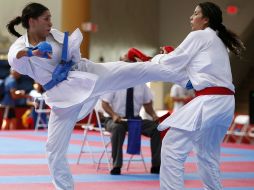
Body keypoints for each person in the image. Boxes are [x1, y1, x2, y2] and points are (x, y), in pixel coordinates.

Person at [6, 3, 182, 189]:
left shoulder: (54, 35)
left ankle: (172, 66)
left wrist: (70, 55)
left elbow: (73, 53)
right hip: (63, 97)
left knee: (127, 70)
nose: (51, 22)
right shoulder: (20, 46)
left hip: (84, 73)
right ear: (32, 21)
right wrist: (32, 52)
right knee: (53, 149)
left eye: (50, 17)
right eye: (46, 18)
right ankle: (64, 187)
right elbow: (15, 57)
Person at [150, 2, 245, 189]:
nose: (191, 17)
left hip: (210, 101)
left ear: (205, 19)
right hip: (225, 103)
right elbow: (190, 69)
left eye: (195, 14)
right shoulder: (218, 42)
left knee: (172, 146)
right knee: (207, 154)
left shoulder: (199, 35)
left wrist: (157, 58)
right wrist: (172, 54)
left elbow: (172, 62)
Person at [101, 52, 161, 175]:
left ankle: (156, 165)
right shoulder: (114, 82)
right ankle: (116, 165)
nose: (128, 65)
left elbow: (147, 104)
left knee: (157, 129)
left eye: (130, 63)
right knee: (118, 128)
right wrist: (113, 115)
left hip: (135, 120)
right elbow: (105, 104)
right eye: (125, 62)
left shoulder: (141, 84)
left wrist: (154, 115)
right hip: (115, 119)